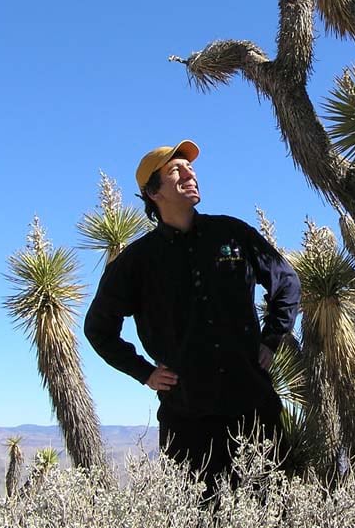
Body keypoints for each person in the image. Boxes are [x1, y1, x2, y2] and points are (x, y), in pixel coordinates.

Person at [84, 140, 301, 485]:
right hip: (187, 420)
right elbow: (99, 329)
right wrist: (145, 372)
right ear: (153, 192)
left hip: (254, 406)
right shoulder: (136, 262)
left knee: (275, 504)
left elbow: (286, 282)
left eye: (191, 168)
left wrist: (272, 339)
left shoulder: (232, 233)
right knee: (197, 512)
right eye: (176, 170)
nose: (190, 173)